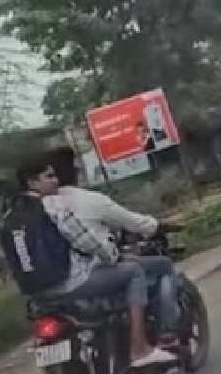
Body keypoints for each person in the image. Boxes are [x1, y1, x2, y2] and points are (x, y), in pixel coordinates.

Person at [11, 156, 175, 368]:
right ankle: (140, 348)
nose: (55, 181)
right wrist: (112, 256)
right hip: (71, 283)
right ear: (32, 183)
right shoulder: (53, 206)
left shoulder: (12, 216)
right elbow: (87, 241)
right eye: (49, 177)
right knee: (133, 271)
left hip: (38, 295)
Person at [43, 147, 184, 347]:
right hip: (88, 274)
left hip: (49, 285)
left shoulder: (37, 206)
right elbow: (133, 224)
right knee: (161, 266)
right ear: (73, 171)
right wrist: (157, 226)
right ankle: (165, 334)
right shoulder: (87, 200)